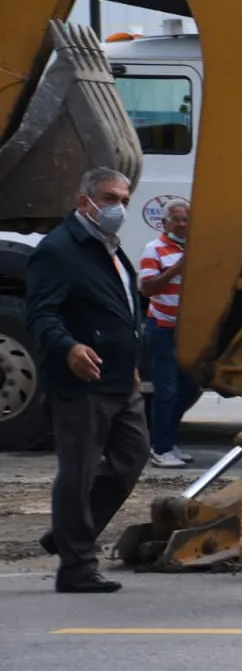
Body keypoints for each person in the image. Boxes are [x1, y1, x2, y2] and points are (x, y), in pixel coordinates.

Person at [25, 167, 150, 593]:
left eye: (124, 200)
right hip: (81, 380)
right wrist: (70, 347)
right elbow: (42, 313)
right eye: (111, 199)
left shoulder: (108, 247)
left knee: (131, 459)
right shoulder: (59, 250)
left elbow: (125, 306)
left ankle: (67, 537)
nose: (120, 208)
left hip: (120, 378)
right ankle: (76, 567)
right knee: (77, 474)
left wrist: (132, 358)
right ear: (86, 202)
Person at [138, 199, 201, 467]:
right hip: (163, 327)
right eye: (176, 219)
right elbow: (147, 289)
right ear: (164, 223)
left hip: (189, 331)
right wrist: (177, 269)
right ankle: (159, 448)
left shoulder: (199, 248)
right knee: (166, 390)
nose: (182, 224)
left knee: (190, 388)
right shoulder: (154, 249)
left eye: (186, 219)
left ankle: (168, 441)